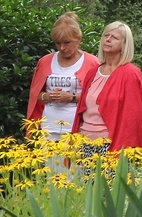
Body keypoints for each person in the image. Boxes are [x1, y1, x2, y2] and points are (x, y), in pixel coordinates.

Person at [72, 21, 142, 154]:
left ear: (124, 45)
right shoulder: (93, 72)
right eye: (106, 35)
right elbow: (82, 111)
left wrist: (124, 151)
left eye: (114, 37)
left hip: (111, 145)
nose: (108, 39)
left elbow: (132, 119)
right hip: (85, 142)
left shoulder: (130, 73)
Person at [27, 12, 99, 141]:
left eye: (67, 43)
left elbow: (99, 97)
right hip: (48, 127)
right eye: (57, 43)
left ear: (79, 39)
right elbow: (35, 95)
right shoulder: (45, 62)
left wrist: (71, 97)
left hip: (79, 129)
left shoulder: (92, 63)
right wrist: (48, 96)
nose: (62, 48)